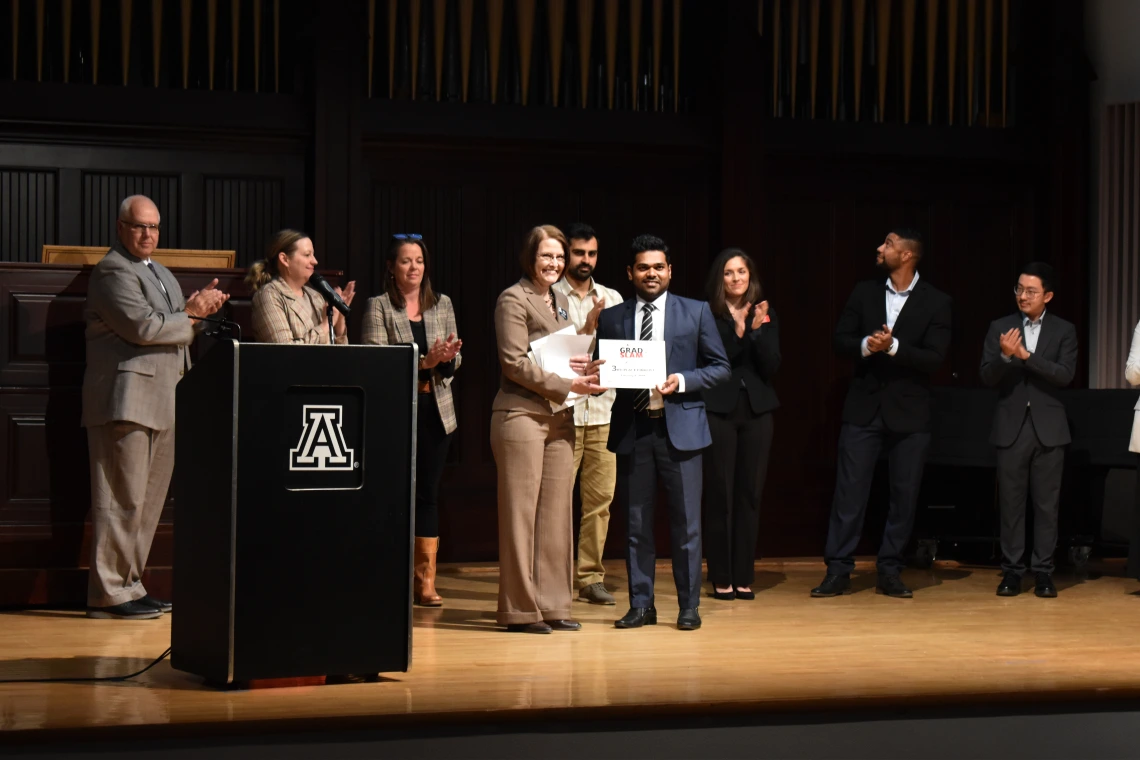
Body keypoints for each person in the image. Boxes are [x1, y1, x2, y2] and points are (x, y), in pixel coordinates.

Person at [82, 195, 230, 619]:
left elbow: (176, 329)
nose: (148, 235)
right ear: (120, 227)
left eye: (154, 227)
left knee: (146, 503)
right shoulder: (112, 271)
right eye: (139, 226)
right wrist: (190, 314)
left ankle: (130, 585)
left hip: (166, 398)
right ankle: (108, 592)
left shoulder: (160, 271)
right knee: (119, 500)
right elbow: (144, 328)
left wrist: (199, 315)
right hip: (125, 400)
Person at [596, 234, 730, 631]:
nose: (650, 273)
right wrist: (596, 374)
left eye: (658, 267)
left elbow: (720, 367)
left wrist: (683, 380)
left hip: (682, 431)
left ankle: (688, 606)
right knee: (636, 525)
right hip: (635, 430)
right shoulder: (612, 317)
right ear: (630, 273)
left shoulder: (697, 312)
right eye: (643, 267)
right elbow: (602, 370)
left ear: (670, 271)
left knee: (686, 524)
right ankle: (642, 605)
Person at [812, 228, 952, 600]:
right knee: (849, 493)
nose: (880, 248)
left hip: (911, 414)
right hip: (864, 408)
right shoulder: (864, 292)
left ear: (907, 255)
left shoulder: (936, 302)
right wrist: (865, 344)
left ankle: (890, 570)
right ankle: (838, 570)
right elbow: (840, 340)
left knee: (903, 497)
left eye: (888, 244)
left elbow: (935, 359)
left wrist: (893, 348)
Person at [490, 225, 605, 634]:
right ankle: (520, 610)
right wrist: (567, 384)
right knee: (521, 516)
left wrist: (588, 344)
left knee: (556, 515)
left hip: (559, 417)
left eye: (559, 257)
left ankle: (554, 604)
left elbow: (562, 356)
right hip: (521, 416)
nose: (555, 264)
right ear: (530, 258)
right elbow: (515, 363)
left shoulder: (556, 301)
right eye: (547, 257)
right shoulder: (512, 298)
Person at [362, 234, 462, 606]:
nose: (414, 267)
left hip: (437, 414)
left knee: (427, 496)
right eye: (406, 261)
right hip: (396, 414)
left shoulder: (442, 304)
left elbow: (455, 362)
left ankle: (425, 582)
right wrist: (424, 363)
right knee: (392, 494)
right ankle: (388, 577)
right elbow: (375, 361)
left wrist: (447, 358)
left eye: (419, 260)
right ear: (391, 266)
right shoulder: (378, 307)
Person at [980, 263, 1077, 598]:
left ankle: (1044, 573)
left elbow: (1064, 375)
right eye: (1019, 289)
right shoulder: (1000, 327)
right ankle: (1011, 572)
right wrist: (1007, 358)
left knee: (1047, 507)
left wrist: (1025, 356)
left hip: (1049, 429)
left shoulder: (1064, 330)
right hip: (1011, 428)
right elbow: (986, 376)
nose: (1023, 296)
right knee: (1011, 504)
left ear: (1047, 295)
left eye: (1031, 291)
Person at [701, 248, 780, 601]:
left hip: (757, 412)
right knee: (720, 494)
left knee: (750, 493)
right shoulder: (708, 314)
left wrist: (757, 330)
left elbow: (771, 365)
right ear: (721, 279)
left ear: (751, 276)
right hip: (719, 411)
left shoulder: (764, 312)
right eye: (729, 273)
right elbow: (718, 363)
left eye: (742, 272)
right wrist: (737, 330)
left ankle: (744, 574)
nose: (736, 279)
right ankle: (720, 574)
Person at [552, 223, 625, 606]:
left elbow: (624, 351)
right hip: (563, 412)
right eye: (578, 253)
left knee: (599, 502)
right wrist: (588, 326)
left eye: (591, 254)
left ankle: (590, 577)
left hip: (603, 411)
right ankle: (555, 578)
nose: (585, 261)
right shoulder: (550, 296)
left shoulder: (612, 297)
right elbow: (554, 356)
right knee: (558, 501)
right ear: (567, 255)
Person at [247, 229, 356, 344]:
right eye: (307, 255)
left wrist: (339, 322)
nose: (315, 261)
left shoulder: (315, 296)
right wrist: (325, 326)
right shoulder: (269, 295)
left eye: (313, 255)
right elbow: (284, 351)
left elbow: (339, 357)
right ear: (285, 259)